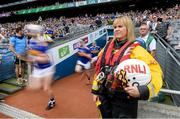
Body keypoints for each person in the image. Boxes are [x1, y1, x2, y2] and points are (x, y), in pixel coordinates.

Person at [92, 16, 163, 118]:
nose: (116, 29)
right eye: (115, 27)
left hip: (125, 99)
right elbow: (100, 71)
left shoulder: (137, 50)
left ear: (128, 29)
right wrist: (95, 91)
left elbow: (156, 72)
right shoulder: (106, 48)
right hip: (104, 97)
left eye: (120, 26)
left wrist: (143, 90)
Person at [26, 24, 56, 110]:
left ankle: (52, 101)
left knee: (46, 88)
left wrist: (34, 58)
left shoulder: (43, 39)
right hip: (37, 68)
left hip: (47, 67)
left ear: (36, 32)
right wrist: (30, 57)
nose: (29, 33)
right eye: (29, 31)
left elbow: (46, 59)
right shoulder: (31, 41)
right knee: (33, 87)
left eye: (31, 31)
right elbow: (31, 53)